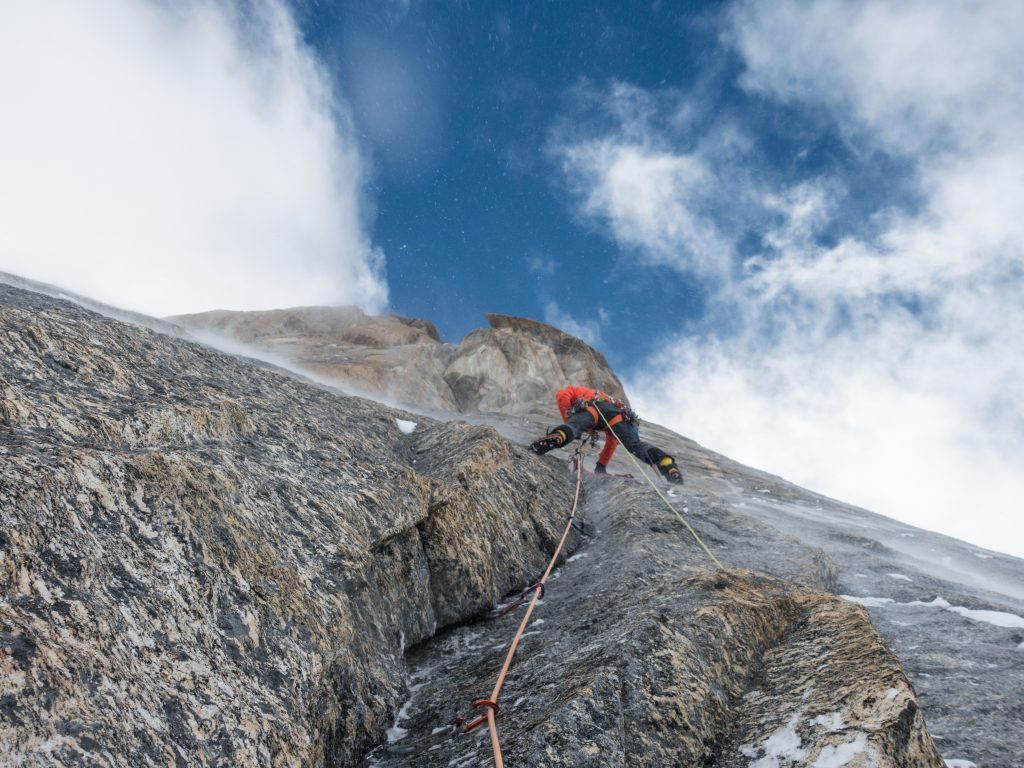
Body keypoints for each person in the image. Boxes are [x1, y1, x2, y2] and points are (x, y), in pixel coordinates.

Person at [529, 384, 683, 483]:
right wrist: (601, 466)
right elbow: (612, 441)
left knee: (572, 428)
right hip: (619, 417)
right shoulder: (613, 401)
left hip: (590, 409)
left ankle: (558, 437)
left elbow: (563, 394)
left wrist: (569, 418)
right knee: (635, 445)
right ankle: (668, 466)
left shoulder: (582, 391)